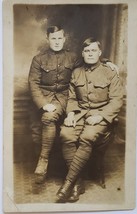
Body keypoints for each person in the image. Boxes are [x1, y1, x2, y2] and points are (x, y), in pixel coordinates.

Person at [28, 26, 119, 185]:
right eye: (53, 38)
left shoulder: (72, 56)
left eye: (59, 38)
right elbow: (33, 84)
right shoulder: (38, 59)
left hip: (65, 96)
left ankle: (69, 177)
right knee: (45, 121)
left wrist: (108, 62)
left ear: (64, 39)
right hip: (46, 97)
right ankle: (44, 159)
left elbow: (90, 58)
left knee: (59, 126)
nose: (56, 42)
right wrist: (43, 104)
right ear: (48, 39)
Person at [56, 37, 123, 203]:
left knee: (87, 137)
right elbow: (71, 98)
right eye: (87, 51)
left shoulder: (110, 73)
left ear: (100, 53)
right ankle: (78, 184)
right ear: (82, 53)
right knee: (66, 134)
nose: (90, 54)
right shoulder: (76, 72)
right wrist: (70, 115)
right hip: (79, 113)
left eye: (93, 50)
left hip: (101, 114)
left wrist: (101, 116)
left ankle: (68, 184)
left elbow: (117, 100)